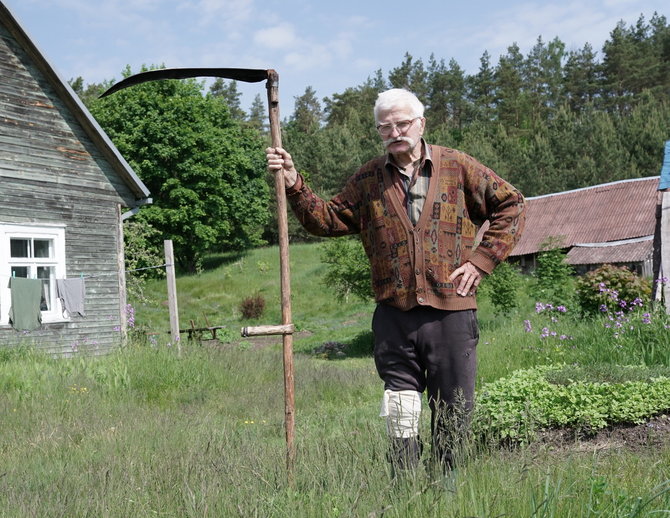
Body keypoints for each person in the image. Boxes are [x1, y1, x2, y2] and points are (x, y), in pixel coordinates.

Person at [266, 88, 526, 475]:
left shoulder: (456, 166)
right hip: (393, 315)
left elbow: (512, 203)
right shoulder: (369, 178)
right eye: (385, 126)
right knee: (400, 407)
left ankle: (446, 486)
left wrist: (481, 261)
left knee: (453, 405)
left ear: (421, 123)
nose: (395, 131)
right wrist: (293, 183)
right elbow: (327, 219)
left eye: (402, 123)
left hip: (451, 312)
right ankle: (404, 485)